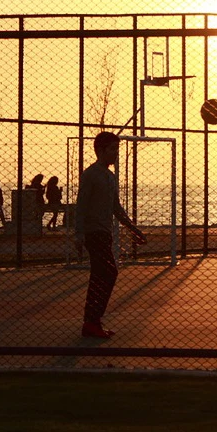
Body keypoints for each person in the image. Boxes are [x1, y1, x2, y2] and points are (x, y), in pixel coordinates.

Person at [75, 131, 147, 339]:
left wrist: (133, 229)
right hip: (93, 232)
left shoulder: (110, 176)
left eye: (117, 149)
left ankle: (92, 322)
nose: (116, 153)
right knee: (108, 272)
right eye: (112, 149)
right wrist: (79, 233)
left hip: (105, 233)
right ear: (101, 151)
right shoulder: (90, 175)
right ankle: (91, 321)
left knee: (101, 276)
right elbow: (81, 205)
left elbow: (116, 207)